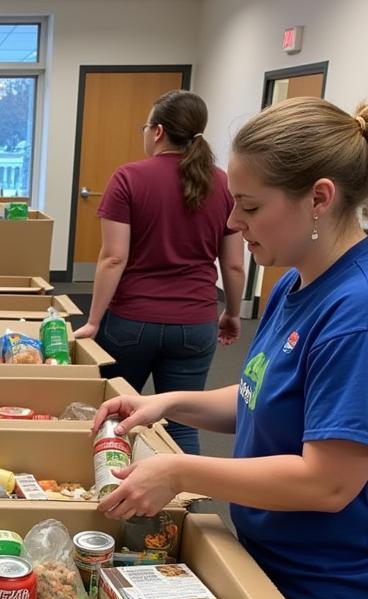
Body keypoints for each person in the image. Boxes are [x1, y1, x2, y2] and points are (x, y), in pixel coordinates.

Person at [92, 97, 368, 599]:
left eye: (250, 205)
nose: (235, 224)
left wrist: (184, 472)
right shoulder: (299, 281)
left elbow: (328, 481)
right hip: (279, 568)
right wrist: (171, 400)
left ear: (319, 198)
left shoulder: (366, 313)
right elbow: (261, 400)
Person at [74, 90, 245, 454]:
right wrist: (231, 312)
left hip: (131, 322)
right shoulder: (223, 184)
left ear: (158, 131)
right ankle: (185, 508)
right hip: (195, 324)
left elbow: (113, 258)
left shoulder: (128, 178)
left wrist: (93, 320)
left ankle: (106, 497)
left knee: (112, 415)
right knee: (184, 423)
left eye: (146, 126)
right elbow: (232, 263)